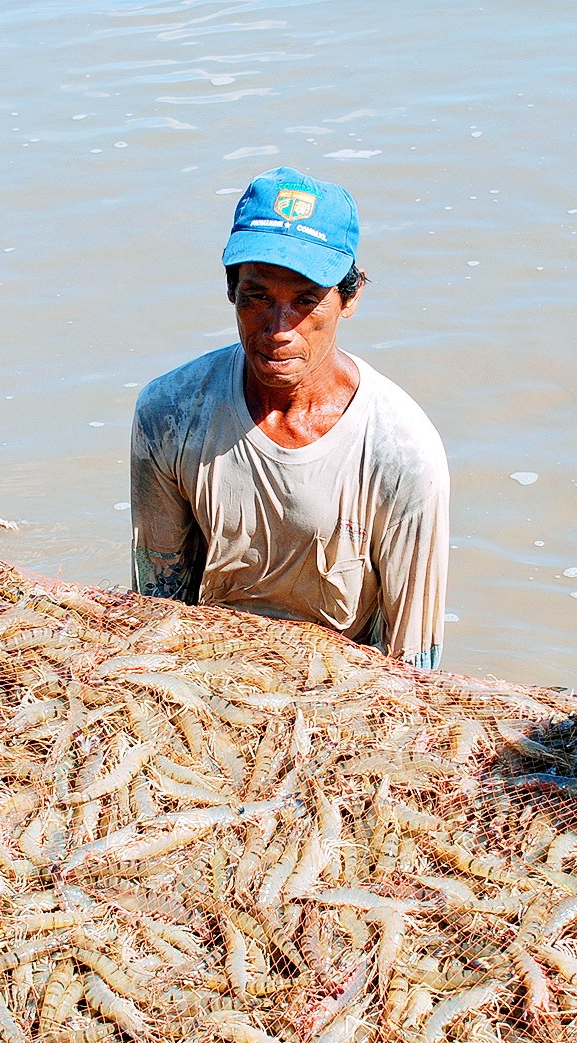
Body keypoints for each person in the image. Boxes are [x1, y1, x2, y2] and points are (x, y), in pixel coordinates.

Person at [130, 167, 450, 668]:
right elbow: (158, 599)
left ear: (351, 297)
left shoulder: (401, 451)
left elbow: (415, 656)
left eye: (305, 300)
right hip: (207, 661)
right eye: (257, 297)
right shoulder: (170, 414)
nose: (279, 330)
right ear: (231, 289)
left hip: (343, 683)